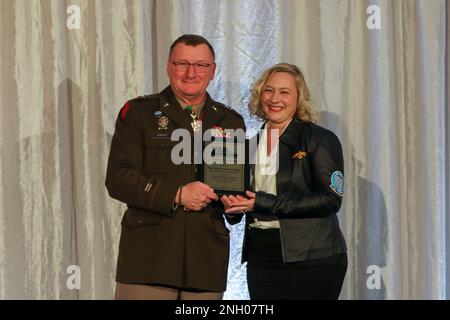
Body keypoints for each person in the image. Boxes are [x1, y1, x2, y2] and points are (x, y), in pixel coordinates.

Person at [105, 34, 245, 300]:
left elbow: (231, 187)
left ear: (213, 70)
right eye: (182, 63)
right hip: (149, 259)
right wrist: (177, 194)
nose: (191, 72)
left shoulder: (230, 120)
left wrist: (236, 204)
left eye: (201, 65)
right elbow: (118, 178)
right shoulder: (138, 113)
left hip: (206, 260)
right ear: (169, 67)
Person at [221, 63, 347, 300]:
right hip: (261, 255)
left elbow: (330, 200)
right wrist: (232, 208)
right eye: (269, 91)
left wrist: (262, 202)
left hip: (312, 256)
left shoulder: (320, 139)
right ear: (260, 96)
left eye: (284, 92)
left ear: (299, 98)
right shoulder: (249, 145)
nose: (275, 98)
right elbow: (245, 204)